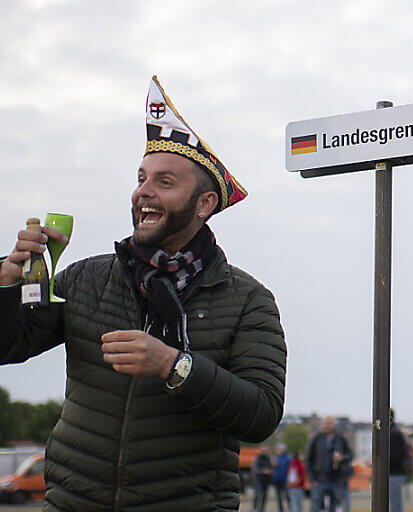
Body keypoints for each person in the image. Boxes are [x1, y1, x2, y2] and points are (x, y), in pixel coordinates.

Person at [0, 76, 286, 511]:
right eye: (141, 178)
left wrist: (174, 366)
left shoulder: (247, 300)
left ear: (205, 204)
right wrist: (5, 283)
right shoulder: (85, 279)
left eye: (165, 182)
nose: (143, 192)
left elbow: (261, 414)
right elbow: (7, 345)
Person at [306, 416, 354, 512]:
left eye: (329, 423)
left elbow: (350, 455)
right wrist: (312, 479)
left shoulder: (340, 439)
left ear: (334, 425)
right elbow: (309, 460)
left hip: (336, 479)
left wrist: (342, 458)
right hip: (319, 480)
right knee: (315, 506)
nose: (326, 426)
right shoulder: (316, 439)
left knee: (335, 506)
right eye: (325, 423)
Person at [389, 408, 411, 512]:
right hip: (397, 473)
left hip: (394, 473)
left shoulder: (393, 434)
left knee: (395, 505)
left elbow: (394, 457)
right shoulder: (396, 432)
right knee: (395, 503)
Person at [271, 444, 293, 512]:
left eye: (279, 450)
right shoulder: (276, 458)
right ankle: (281, 510)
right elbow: (273, 469)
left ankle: (291, 509)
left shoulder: (288, 458)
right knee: (279, 497)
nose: (277, 451)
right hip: (277, 480)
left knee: (287, 496)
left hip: (285, 480)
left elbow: (290, 469)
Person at [253, 444, 274, 512]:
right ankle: (255, 508)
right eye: (264, 450)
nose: (266, 451)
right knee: (258, 495)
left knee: (264, 496)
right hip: (259, 479)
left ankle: (262, 509)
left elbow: (271, 467)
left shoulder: (268, 458)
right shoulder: (257, 458)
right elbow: (255, 469)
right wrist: (263, 471)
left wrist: (271, 470)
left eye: (267, 450)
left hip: (266, 480)